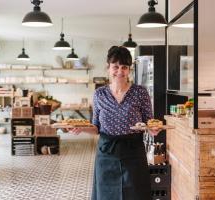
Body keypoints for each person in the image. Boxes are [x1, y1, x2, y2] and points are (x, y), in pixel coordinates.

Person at [69, 46, 161, 200]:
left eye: (124, 67)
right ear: (108, 68)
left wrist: (154, 130)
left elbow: (148, 123)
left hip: (133, 152)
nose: (120, 71)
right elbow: (96, 127)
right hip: (106, 152)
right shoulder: (100, 94)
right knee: (106, 194)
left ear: (129, 70)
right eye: (115, 67)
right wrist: (82, 128)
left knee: (135, 194)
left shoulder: (140, 92)